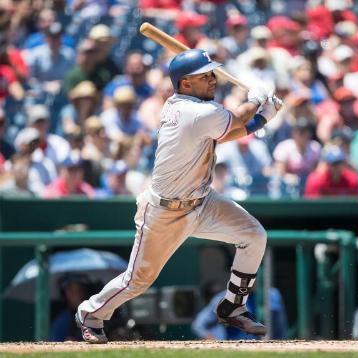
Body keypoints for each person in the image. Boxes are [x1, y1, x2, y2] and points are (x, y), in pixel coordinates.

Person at [75, 49, 281, 343]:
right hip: (165, 212)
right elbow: (235, 120)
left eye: (212, 73)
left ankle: (233, 306)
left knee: (254, 235)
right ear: (185, 84)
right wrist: (257, 101)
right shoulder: (192, 111)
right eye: (204, 75)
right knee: (137, 281)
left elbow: (228, 131)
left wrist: (263, 117)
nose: (212, 79)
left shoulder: (194, 108)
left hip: (203, 201)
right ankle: (90, 313)